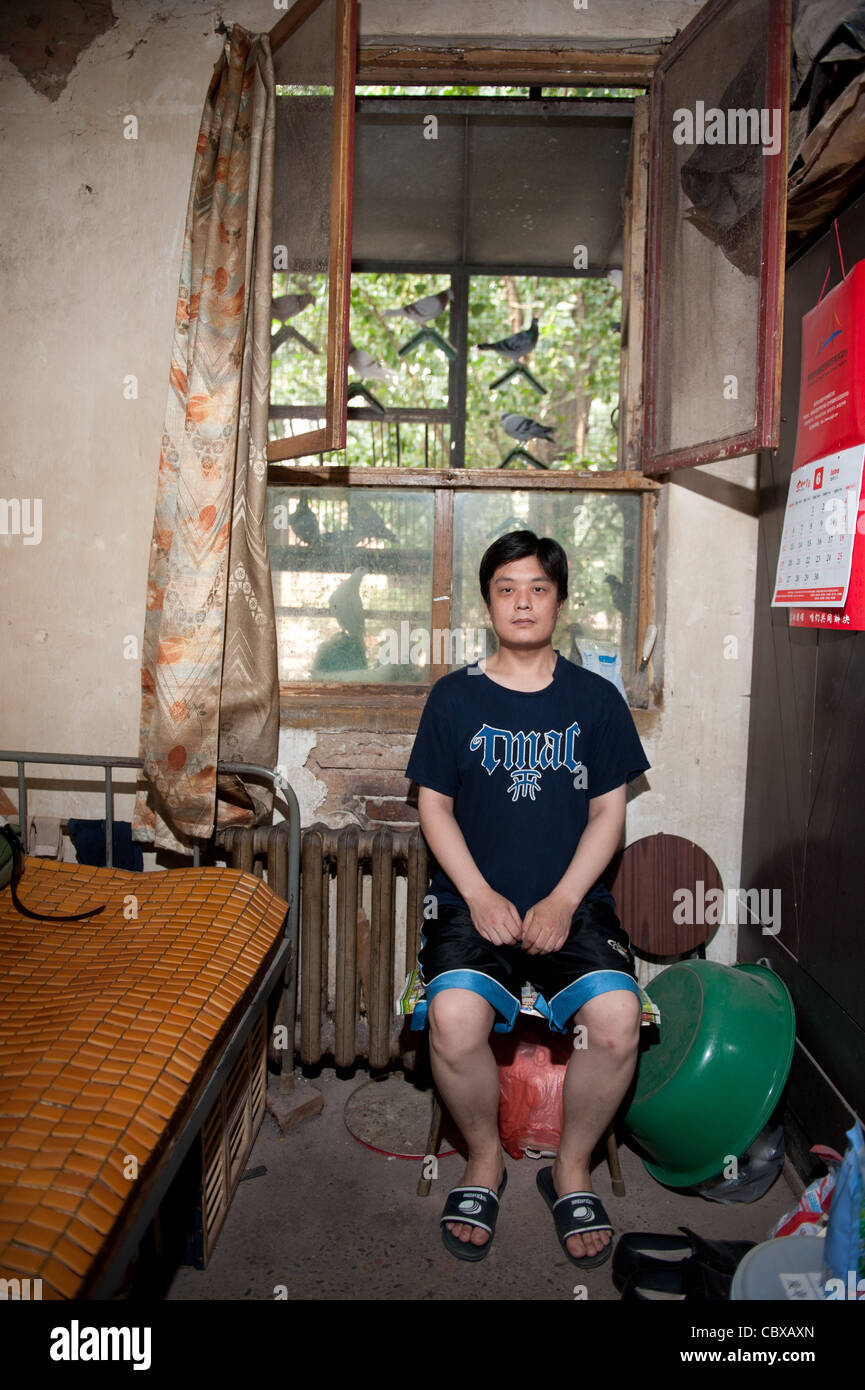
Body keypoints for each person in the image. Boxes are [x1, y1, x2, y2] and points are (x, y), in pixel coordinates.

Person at [404, 530, 650, 1268]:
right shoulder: (453, 698)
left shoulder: (594, 700)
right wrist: (477, 895)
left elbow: (609, 812)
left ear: (559, 603)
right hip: (469, 904)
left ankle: (568, 1169)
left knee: (614, 1021)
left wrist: (563, 899)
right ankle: (483, 1159)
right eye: (507, 588)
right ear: (487, 602)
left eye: (538, 588)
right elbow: (433, 807)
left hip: (571, 905)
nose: (522, 601)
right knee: (451, 1018)